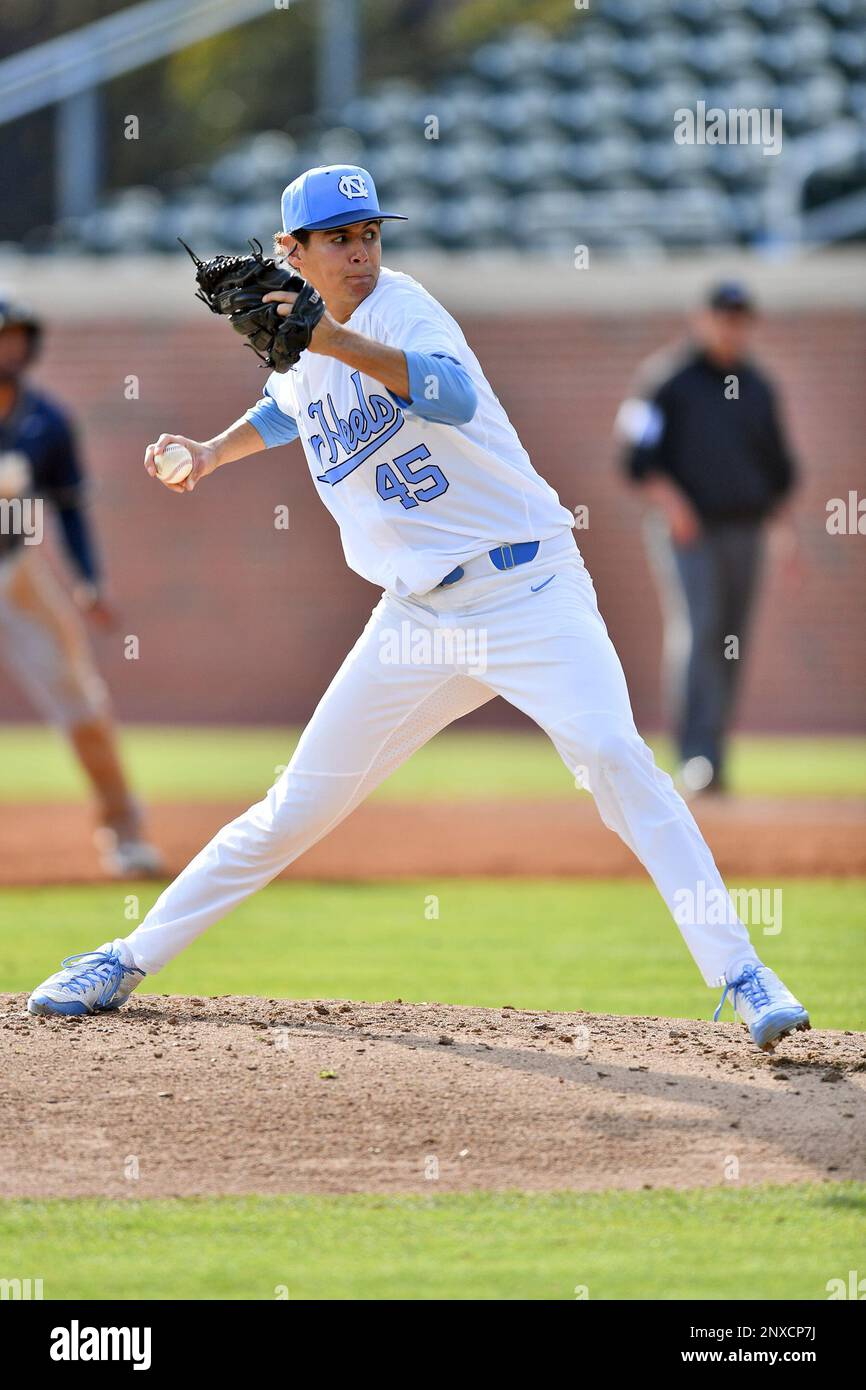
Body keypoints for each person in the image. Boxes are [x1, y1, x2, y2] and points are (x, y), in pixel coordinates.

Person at [27, 167, 809, 1050]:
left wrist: (329, 338)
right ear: (293, 252)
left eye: (369, 234)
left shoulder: (402, 309)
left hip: (530, 589)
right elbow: (284, 409)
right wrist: (211, 452)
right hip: (415, 622)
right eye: (338, 239)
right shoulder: (300, 345)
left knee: (612, 753)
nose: (361, 253)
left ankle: (744, 974)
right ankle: (127, 957)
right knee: (294, 809)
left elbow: (450, 391)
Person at [0, 301, 162, 877]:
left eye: (18, 339)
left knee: (81, 701)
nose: (10, 349)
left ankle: (124, 833)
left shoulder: (47, 421)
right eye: (2, 338)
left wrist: (89, 582)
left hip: (13, 570)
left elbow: (68, 512)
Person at [616, 282, 799, 794]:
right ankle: (694, 757)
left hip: (746, 531)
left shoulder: (758, 387)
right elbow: (635, 457)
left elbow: (777, 470)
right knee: (700, 632)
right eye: (723, 316)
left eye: (740, 318)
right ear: (703, 318)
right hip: (688, 530)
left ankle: (715, 757)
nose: (731, 326)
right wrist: (673, 503)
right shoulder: (668, 380)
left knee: (731, 642)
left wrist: (783, 531)